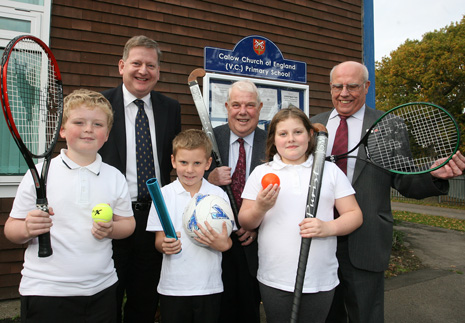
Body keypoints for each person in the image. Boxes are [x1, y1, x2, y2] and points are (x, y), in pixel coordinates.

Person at [310, 60, 465, 323]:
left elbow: (403, 181)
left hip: (366, 240)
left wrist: (430, 174)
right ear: (330, 87)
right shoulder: (314, 125)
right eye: (338, 86)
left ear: (367, 87)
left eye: (353, 86)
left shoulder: (390, 125)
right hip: (318, 238)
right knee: (324, 315)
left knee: (365, 315)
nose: (344, 92)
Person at [4, 89, 135, 322]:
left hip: (102, 290)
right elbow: (12, 229)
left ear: (107, 134)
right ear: (61, 130)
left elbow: (127, 223)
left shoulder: (114, 176)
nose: (88, 129)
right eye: (79, 122)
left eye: (97, 124)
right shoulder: (40, 174)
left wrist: (111, 230)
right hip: (46, 291)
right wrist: (27, 229)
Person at [238, 107, 363, 323]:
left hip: (319, 277)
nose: (291, 139)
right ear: (274, 139)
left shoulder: (329, 170)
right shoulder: (262, 172)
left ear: (309, 135)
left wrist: (327, 228)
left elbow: (354, 214)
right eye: (283, 134)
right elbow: (245, 221)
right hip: (275, 276)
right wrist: (260, 207)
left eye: (298, 132)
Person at [98, 35, 181, 322]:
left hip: (154, 215)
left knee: (145, 298)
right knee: (108, 295)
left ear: (159, 71)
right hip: (112, 214)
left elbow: (178, 158)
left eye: (151, 65)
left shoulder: (171, 108)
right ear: (122, 66)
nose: (143, 71)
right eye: (136, 63)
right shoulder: (101, 105)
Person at [146, 129, 233, 323]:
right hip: (173, 287)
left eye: (197, 163)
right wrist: (165, 245)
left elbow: (227, 243)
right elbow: (159, 241)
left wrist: (221, 244)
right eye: (183, 162)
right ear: (173, 161)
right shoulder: (163, 195)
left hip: (209, 286)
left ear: (208, 164)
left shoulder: (218, 196)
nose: (190, 170)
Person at [206, 80, 265, 322]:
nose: (243, 111)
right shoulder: (209, 138)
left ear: (260, 108)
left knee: (249, 309)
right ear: (227, 106)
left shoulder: (274, 141)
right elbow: (186, 177)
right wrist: (208, 178)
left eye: (250, 105)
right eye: (237, 105)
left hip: (256, 244)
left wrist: (257, 226)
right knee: (218, 309)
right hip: (216, 241)